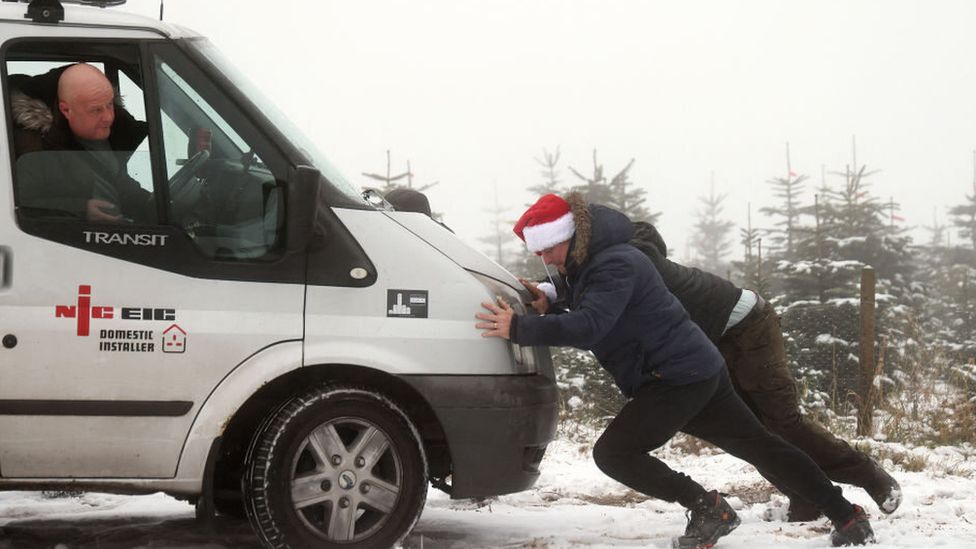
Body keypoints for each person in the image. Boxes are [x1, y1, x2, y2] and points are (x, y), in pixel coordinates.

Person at [476, 193, 875, 548]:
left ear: (570, 236)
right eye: (538, 252)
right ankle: (848, 516)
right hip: (694, 368)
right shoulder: (597, 261)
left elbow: (590, 325)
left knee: (614, 453)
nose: (543, 259)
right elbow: (593, 304)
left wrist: (519, 328)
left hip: (676, 377)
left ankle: (708, 508)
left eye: (547, 249)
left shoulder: (614, 263)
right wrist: (552, 303)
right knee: (762, 445)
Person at [624, 221, 901, 521]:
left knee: (783, 422)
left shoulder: (634, 260)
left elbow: (643, 238)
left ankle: (869, 475)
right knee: (749, 431)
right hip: (710, 342)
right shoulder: (615, 268)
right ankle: (804, 498)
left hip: (749, 326)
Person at [13, 63, 151, 223]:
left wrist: (148, 202)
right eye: (96, 110)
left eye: (110, 105)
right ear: (66, 110)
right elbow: (19, 205)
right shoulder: (31, 147)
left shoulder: (106, 133)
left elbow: (114, 180)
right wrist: (80, 210)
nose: (108, 117)